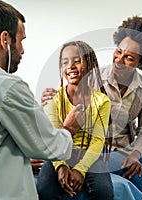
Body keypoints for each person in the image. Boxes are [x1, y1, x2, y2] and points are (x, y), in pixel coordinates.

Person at [0, 1, 84, 199]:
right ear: (5, 39)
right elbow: (49, 144)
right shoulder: (6, 86)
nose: (22, 50)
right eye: (21, 40)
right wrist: (70, 127)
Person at [42, 16, 142, 199]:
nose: (119, 60)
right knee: (139, 180)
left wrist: (135, 155)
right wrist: (48, 97)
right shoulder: (93, 75)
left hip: (124, 149)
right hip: (100, 149)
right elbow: (67, 95)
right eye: (118, 52)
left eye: (129, 58)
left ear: (140, 62)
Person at [37, 41, 114, 200]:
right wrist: (61, 166)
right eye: (65, 62)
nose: (70, 66)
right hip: (58, 154)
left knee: (104, 191)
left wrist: (80, 169)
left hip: (88, 154)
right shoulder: (53, 99)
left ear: (90, 64)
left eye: (77, 60)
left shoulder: (102, 101)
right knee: (44, 189)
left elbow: (97, 141)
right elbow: (54, 138)